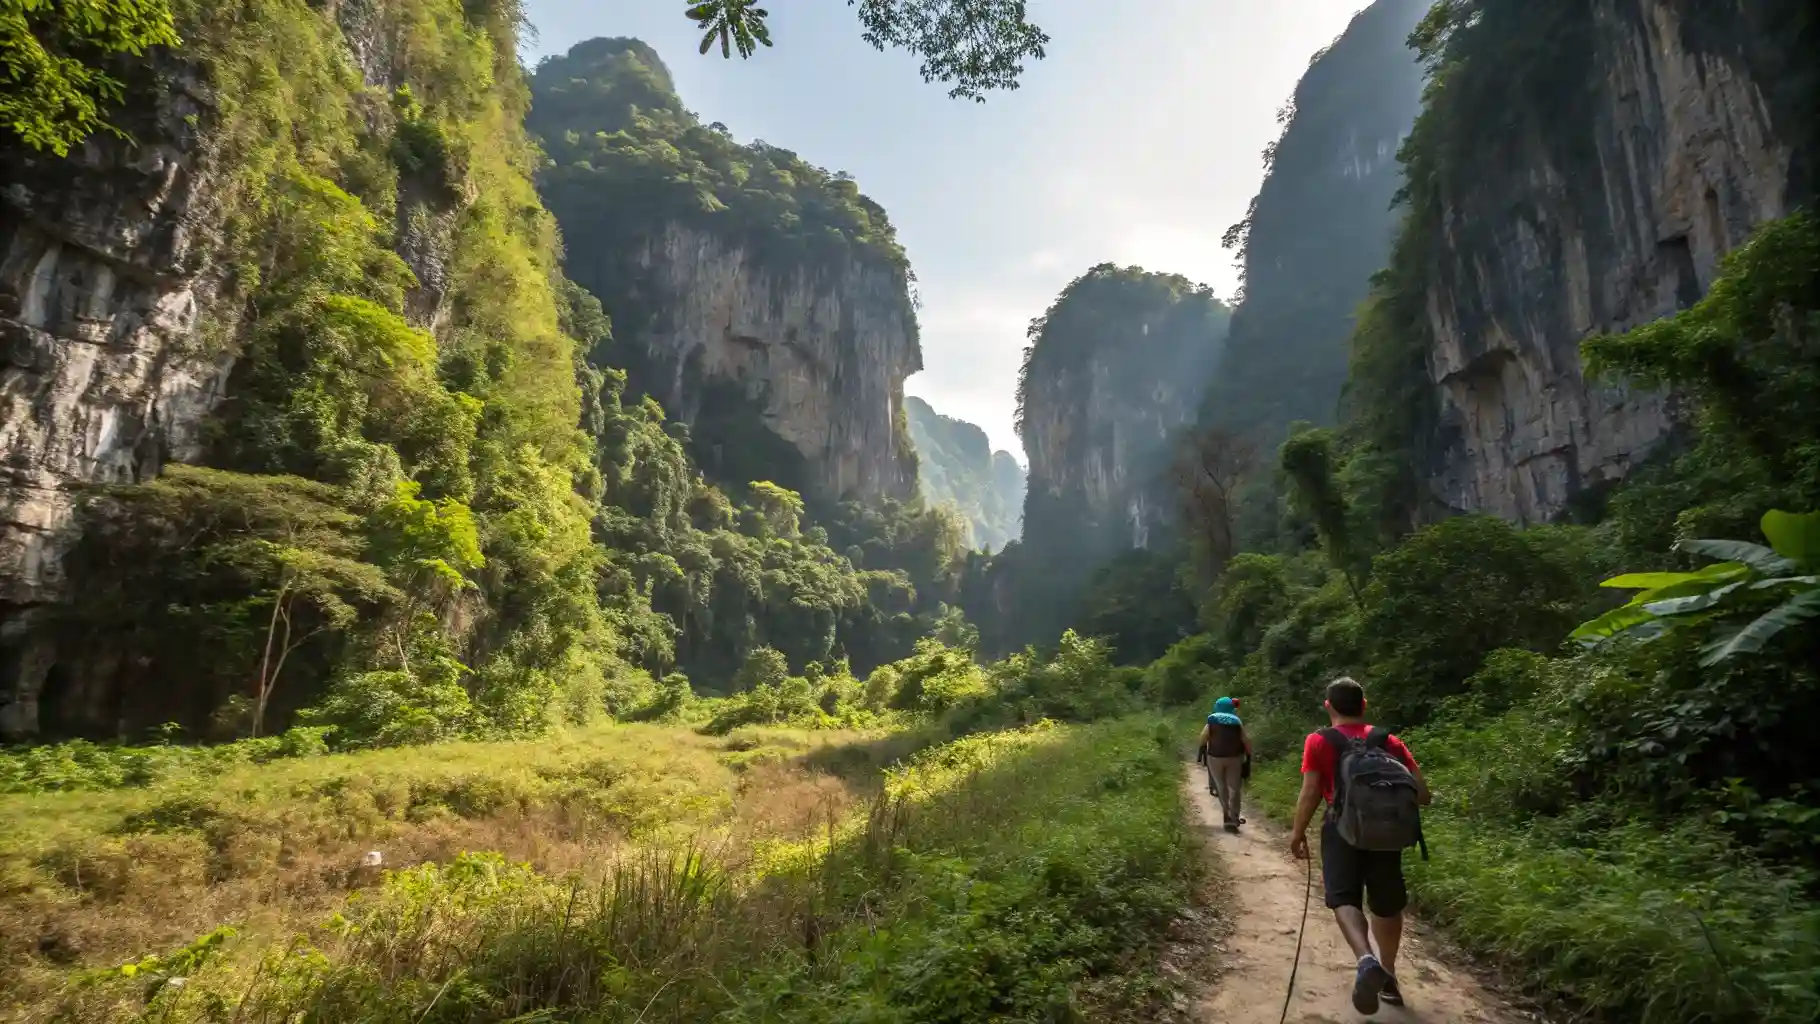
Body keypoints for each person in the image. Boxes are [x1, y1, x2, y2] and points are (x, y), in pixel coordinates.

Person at [1288, 677, 1431, 1014]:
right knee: (1386, 904)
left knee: (1344, 897)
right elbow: (1422, 794)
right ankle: (1390, 977)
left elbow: (1310, 792)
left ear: (1328, 706)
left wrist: (1297, 833)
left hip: (1341, 829)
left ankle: (1366, 960)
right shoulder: (1389, 741)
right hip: (1388, 834)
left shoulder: (1319, 741)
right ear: (1364, 705)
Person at [1198, 696, 1251, 832]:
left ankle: (1226, 816)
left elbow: (1203, 738)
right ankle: (1234, 818)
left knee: (1221, 787)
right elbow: (1246, 741)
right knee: (1234, 788)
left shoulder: (1212, 718)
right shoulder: (1237, 721)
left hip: (1215, 757)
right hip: (1235, 758)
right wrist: (1248, 759)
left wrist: (1202, 749)